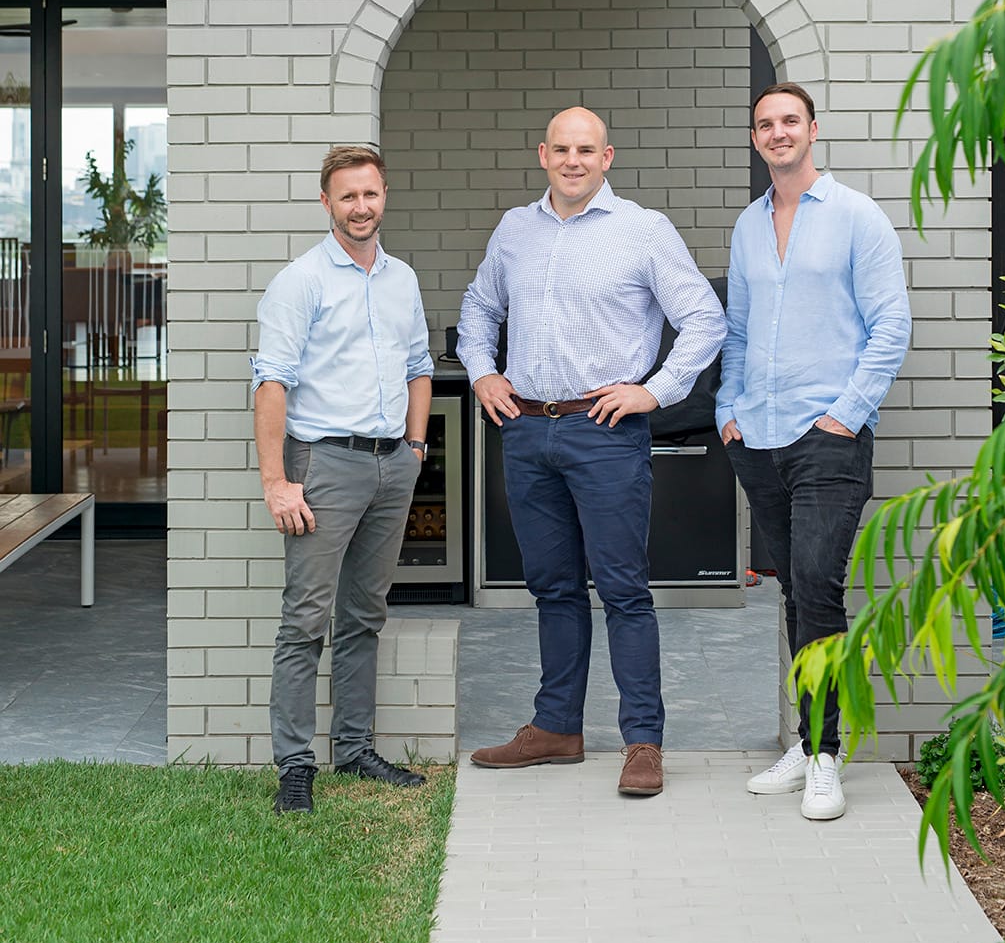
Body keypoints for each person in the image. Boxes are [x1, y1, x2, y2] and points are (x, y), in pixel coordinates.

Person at [457, 107, 727, 798]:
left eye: (586, 150)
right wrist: (483, 372)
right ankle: (556, 729)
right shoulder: (514, 230)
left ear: (606, 158)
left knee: (622, 589)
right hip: (526, 430)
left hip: (603, 433)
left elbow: (703, 318)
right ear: (542, 154)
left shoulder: (642, 230)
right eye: (561, 149)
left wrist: (655, 390)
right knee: (551, 587)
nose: (572, 160)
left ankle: (643, 742)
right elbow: (479, 307)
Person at [718, 84, 911, 821]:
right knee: (794, 593)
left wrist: (845, 415)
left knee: (818, 588)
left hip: (827, 439)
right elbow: (738, 329)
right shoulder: (748, 225)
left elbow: (891, 325)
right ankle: (807, 744)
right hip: (758, 437)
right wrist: (728, 408)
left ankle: (827, 756)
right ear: (755, 138)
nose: (777, 133)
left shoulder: (857, 216)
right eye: (764, 124)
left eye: (789, 121)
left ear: (812, 131)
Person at [252, 144, 433, 815]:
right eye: (348, 195)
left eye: (370, 194)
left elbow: (419, 366)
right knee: (305, 620)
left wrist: (415, 447)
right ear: (326, 202)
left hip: (391, 464)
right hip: (323, 465)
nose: (361, 206)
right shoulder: (300, 281)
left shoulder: (401, 279)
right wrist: (277, 482)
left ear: (385, 197)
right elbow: (271, 383)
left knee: (364, 614)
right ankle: (295, 766)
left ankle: (354, 749)